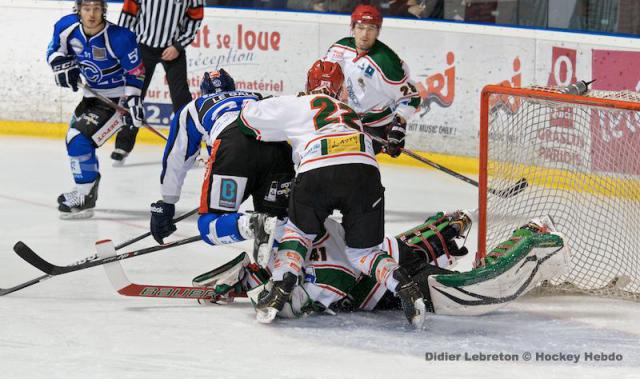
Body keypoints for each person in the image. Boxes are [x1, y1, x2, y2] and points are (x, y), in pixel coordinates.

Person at [236, 60, 427, 328]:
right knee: (364, 252)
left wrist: (268, 102)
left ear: (308, 85)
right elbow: (376, 128)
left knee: (298, 234)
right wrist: (392, 138)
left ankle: (280, 288)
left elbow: (247, 119)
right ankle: (404, 285)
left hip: (317, 169)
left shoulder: (296, 103)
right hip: (364, 172)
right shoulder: (349, 111)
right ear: (340, 90)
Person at [195, 212, 568, 320]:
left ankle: (532, 237)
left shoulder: (303, 230)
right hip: (388, 259)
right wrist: (245, 277)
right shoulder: (298, 231)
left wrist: (268, 292)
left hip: (385, 280)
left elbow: (324, 287)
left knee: (475, 292)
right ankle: (441, 234)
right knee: (430, 242)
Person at [149, 69, 295, 258]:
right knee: (277, 223)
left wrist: (167, 202)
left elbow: (177, 158)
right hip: (279, 150)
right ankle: (279, 275)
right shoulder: (257, 97)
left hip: (234, 147)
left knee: (209, 226)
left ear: (203, 92)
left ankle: (250, 224)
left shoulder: (195, 106)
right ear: (233, 88)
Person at [47, 0, 145, 219]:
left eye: (97, 9)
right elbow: (53, 50)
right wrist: (62, 66)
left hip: (116, 101)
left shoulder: (120, 37)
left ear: (104, 10)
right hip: (91, 97)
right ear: (79, 10)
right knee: (75, 141)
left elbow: (135, 71)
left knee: (78, 139)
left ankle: (84, 193)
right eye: (87, 9)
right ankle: (87, 189)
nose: (92, 14)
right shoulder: (66, 27)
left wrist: (133, 101)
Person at [322, 4, 421, 158]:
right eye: (360, 27)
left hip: (376, 125)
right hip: (347, 120)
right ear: (352, 28)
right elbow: (323, 77)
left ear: (378, 31)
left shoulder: (386, 63)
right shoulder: (339, 48)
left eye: (371, 29)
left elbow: (411, 98)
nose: (364, 34)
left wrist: (398, 125)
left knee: (350, 166)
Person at [115, 0, 204, 165]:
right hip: (142, 46)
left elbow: (195, 20)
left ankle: (190, 148)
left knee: (181, 98)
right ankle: (123, 145)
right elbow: (128, 14)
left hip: (173, 50)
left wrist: (178, 46)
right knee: (134, 93)